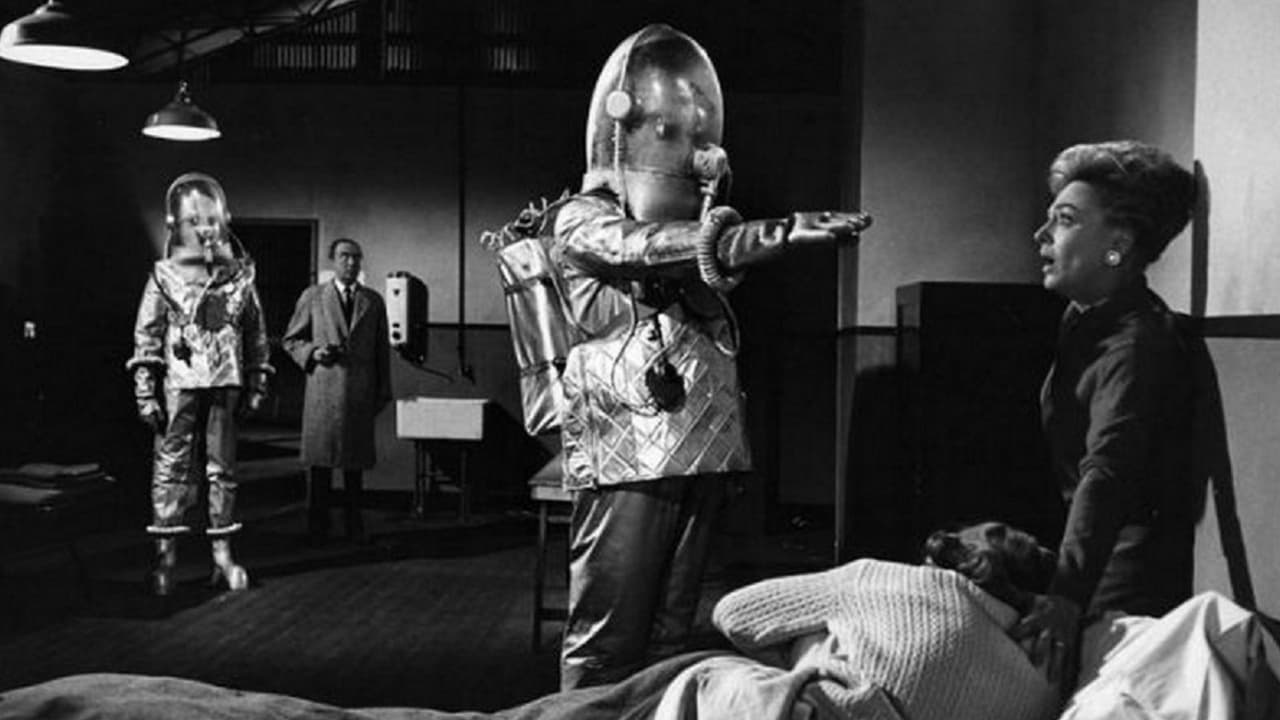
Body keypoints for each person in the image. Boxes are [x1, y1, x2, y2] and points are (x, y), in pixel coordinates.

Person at [512, 24, 868, 689]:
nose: (697, 152)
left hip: (695, 447)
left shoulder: (686, 237)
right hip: (626, 452)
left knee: (670, 635)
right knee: (607, 639)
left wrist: (726, 231)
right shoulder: (582, 218)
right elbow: (638, 246)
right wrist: (769, 234)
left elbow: (683, 260)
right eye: (677, 134)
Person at [1013, 140, 1200, 689]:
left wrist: (1067, 597)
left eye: (1065, 220)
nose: (1041, 234)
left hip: (1121, 590)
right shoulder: (1085, 319)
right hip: (1085, 565)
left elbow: (1106, 473)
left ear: (1117, 245)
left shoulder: (1135, 344)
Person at [653, 522, 1062, 720]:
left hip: (813, 713)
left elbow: (733, 614)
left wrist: (808, 644)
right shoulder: (1040, 684)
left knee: (696, 671)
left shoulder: (888, 579)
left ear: (955, 551)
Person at [127, 172, 272, 596]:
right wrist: (144, 389)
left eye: (210, 219)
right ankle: (166, 556)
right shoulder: (164, 275)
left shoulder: (240, 276)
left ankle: (222, 553)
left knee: (222, 468)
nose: (204, 228)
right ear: (178, 224)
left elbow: (256, 334)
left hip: (225, 379)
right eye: (195, 220)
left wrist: (258, 382)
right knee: (170, 465)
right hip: (180, 380)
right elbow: (147, 334)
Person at [283, 238, 391, 545]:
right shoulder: (314, 297)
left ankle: (354, 527)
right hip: (324, 393)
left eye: (356, 257)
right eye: (344, 256)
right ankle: (317, 529)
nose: (351, 263)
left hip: (358, 393)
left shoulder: (373, 301)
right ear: (333, 260)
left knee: (354, 467)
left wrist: (383, 390)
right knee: (320, 465)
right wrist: (314, 353)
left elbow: (381, 351)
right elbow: (291, 340)